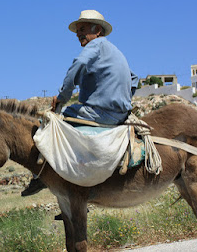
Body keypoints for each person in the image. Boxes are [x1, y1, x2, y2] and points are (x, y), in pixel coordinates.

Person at [21, 10, 138, 198]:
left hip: (100, 112)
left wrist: (62, 96)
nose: (78, 34)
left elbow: (78, 64)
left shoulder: (96, 45)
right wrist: (122, 100)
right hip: (120, 114)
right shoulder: (113, 51)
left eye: (82, 29)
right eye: (77, 31)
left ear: (97, 30)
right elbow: (134, 79)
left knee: (53, 124)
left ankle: (42, 177)